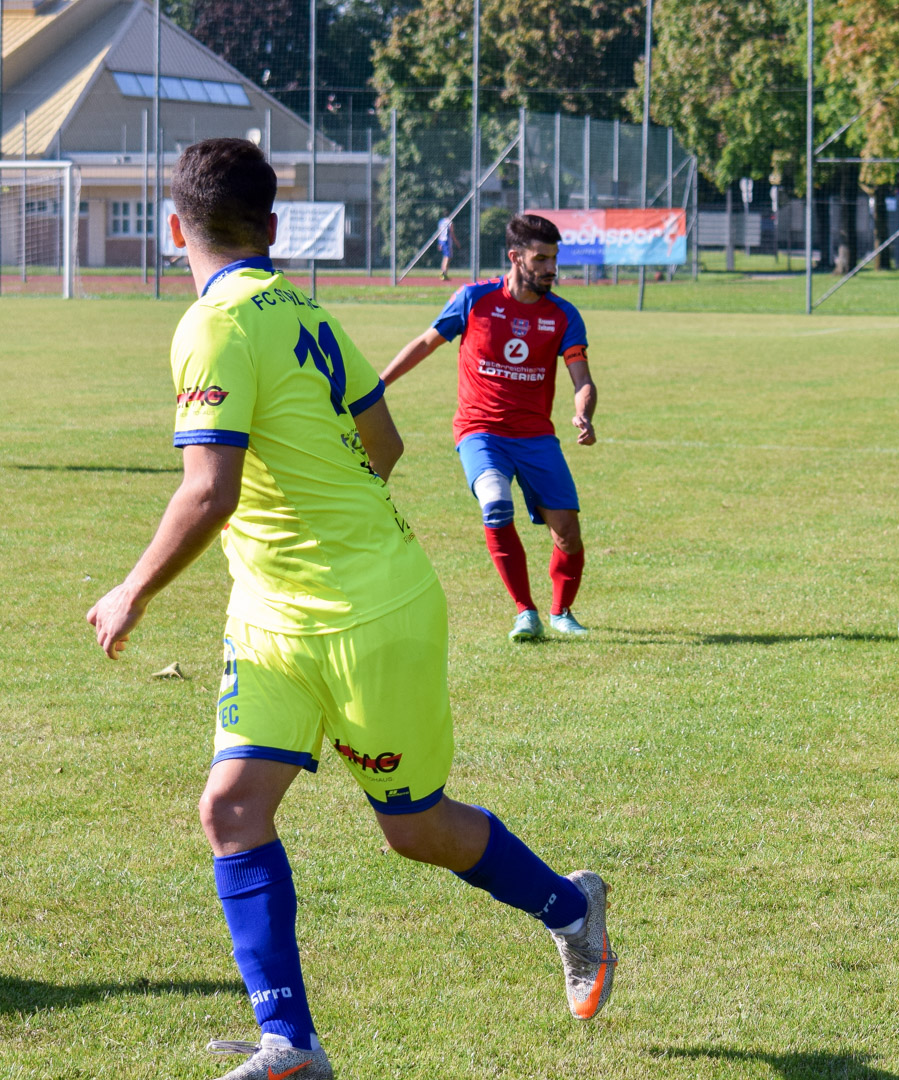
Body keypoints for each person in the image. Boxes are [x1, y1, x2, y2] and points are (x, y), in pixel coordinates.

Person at [85, 139, 616, 1080]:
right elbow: (386, 442)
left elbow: (209, 490)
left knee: (414, 828)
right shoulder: (306, 308)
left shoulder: (213, 323)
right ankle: (290, 1044)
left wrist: (131, 590)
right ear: (272, 226)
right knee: (232, 808)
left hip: (370, 613)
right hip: (268, 617)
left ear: (174, 229)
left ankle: (571, 909)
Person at [381, 214, 597, 644]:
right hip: (480, 431)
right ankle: (525, 611)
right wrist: (379, 384)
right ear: (516, 257)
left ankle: (561, 611)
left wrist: (584, 413)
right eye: (541, 259)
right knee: (495, 505)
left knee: (568, 535)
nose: (551, 268)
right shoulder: (473, 299)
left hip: (536, 437)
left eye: (554, 259)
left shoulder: (563, 315)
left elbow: (582, 379)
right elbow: (425, 343)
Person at [437, 215, 458, 280]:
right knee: (448, 257)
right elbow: (452, 233)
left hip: (442, 240)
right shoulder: (450, 222)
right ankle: (444, 273)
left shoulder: (441, 221)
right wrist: (456, 242)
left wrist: (439, 243)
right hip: (447, 241)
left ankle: (443, 273)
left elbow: (439, 232)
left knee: (445, 257)